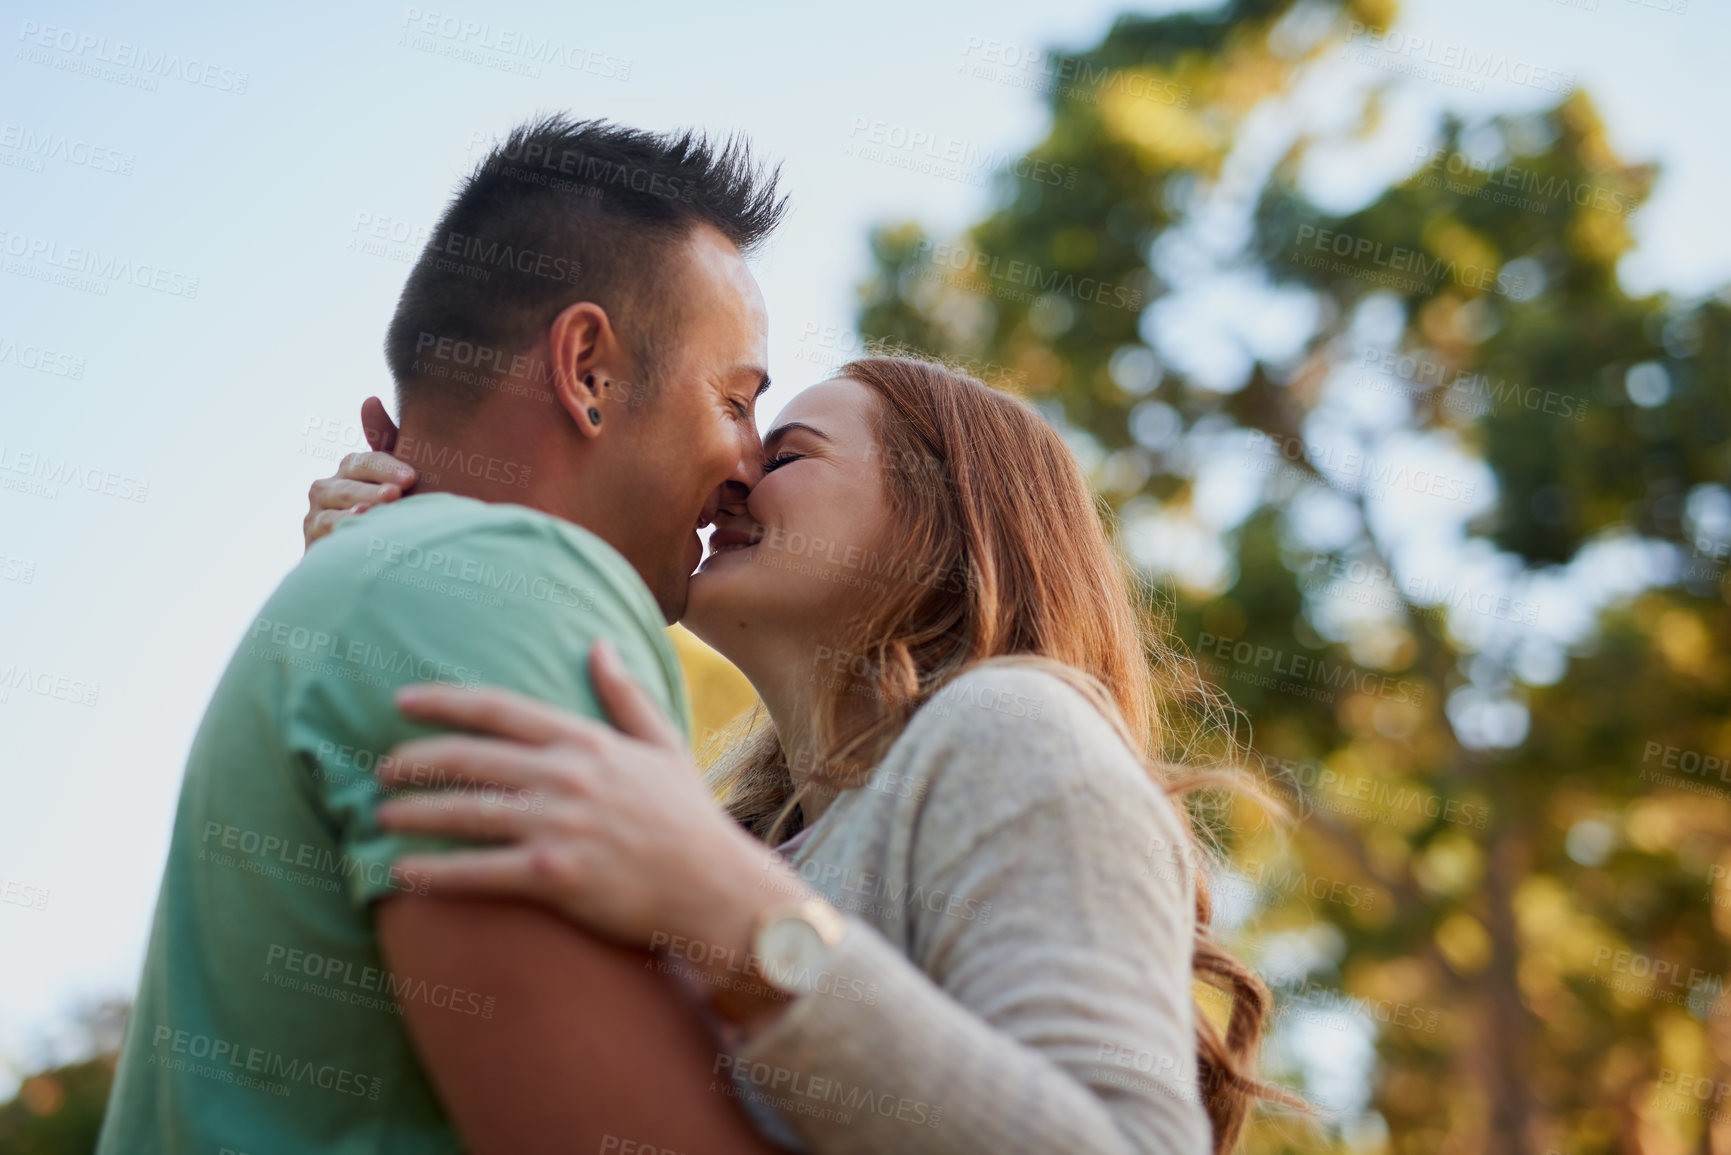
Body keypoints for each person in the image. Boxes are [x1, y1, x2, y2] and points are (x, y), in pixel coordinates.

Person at [301, 355, 1297, 1153]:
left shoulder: (1011, 728)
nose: (729, 477)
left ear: (942, 514)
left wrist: (742, 924)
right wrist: (390, 580)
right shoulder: (741, 845)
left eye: (785, 457)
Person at [99, 114, 803, 1155]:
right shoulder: (505, 584)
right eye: (736, 402)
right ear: (589, 369)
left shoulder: (404, 582)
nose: (750, 463)